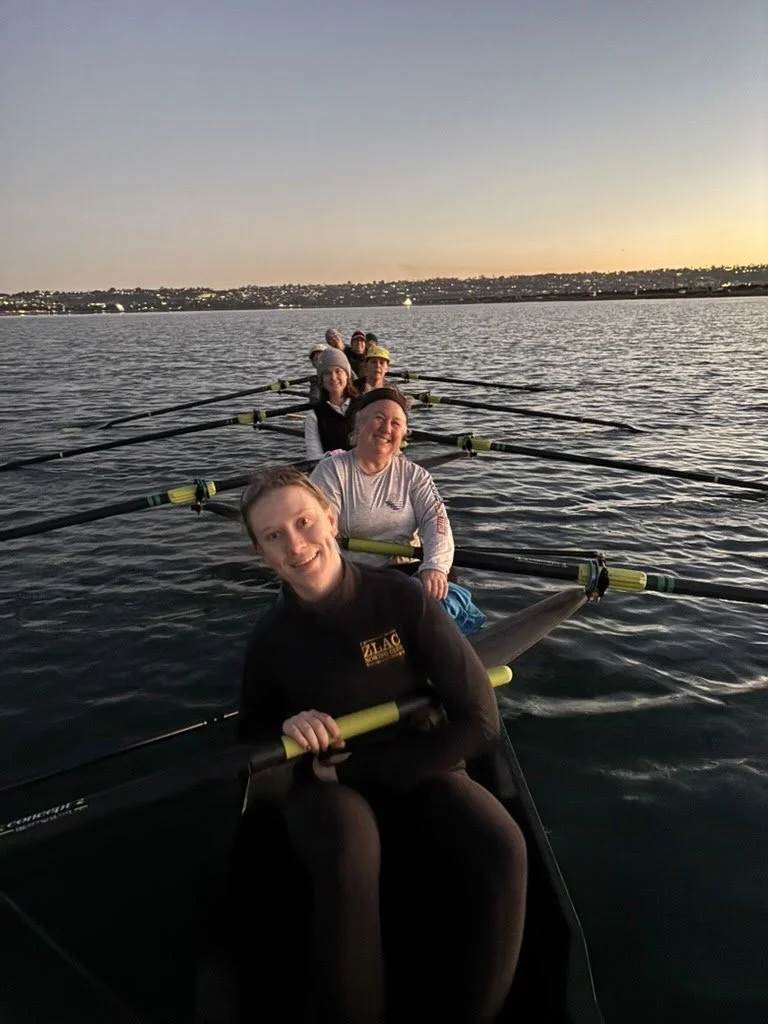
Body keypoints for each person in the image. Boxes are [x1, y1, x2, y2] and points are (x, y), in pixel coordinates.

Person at [237, 466, 527, 1024]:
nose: (295, 545)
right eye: (274, 536)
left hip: (408, 764)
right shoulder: (270, 641)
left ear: (332, 519)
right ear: (261, 552)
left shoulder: (403, 601)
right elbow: (252, 741)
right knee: (350, 850)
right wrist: (289, 726)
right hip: (323, 784)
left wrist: (363, 772)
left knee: (504, 847)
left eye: (303, 522)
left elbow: (480, 721)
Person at [310, 387, 452, 600]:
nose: (386, 429)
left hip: (405, 570)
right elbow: (321, 533)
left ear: (403, 434)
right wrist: (338, 582)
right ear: (359, 424)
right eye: (379, 418)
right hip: (353, 572)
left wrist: (435, 566)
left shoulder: (415, 475)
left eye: (396, 423)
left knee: (448, 579)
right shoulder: (331, 470)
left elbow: (437, 519)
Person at [303, 349, 359, 460]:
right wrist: (330, 457)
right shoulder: (314, 416)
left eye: (338, 371)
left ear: (347, 376)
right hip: (332, 473)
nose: (333, 377)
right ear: (322, 380)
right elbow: (314, 458)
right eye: (327, 373)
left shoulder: (365, 406)